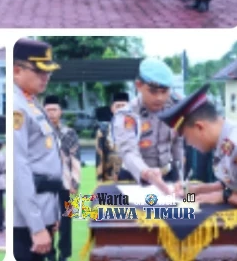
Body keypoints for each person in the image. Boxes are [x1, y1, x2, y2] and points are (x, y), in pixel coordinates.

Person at [13, 38, 63, 261]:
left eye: (48, 72)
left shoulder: (31, 103)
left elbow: (46, 161)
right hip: (26, 222)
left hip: (43, 211)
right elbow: (19, 168)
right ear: (17, 70)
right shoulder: (17, 107)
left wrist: (53, 214)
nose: (46, 77)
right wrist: (36, 225)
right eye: (40, 71)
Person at [113, 59, 183, 195]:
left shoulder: (175, 108)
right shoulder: (127, 115)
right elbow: (128, 151)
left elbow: (178, 145)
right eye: (153, 91)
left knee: (187, 205)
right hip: (134, 178)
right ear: (138, 85)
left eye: (164, 91)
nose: (159, 98)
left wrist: (181, 176)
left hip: (169, 175)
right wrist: (146, 172)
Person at [158, 84, 237, 205]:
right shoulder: (223, 140)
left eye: (186, 138)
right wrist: (198, 189)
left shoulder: (235, 142)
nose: (189, 144)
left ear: (199, 127)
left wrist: (225, 196)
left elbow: (229, 192)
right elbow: (231, 183)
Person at [44, 95, 80, 261]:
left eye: (54, 109)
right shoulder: (40, 132)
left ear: (61, 112)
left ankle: (64, 254)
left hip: (66, 183)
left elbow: (75, 158)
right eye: (48, 110)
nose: (51, 113)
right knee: (47, 219)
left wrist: (75, 183)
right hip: (45, 183)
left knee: (66, 220)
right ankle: (49, 253)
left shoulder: (69, 133)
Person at [95, 92, 129, 182]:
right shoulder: (103, 131)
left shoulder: (138, 129)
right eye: (118, 106)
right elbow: (100, 158)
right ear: (112, 109)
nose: (121, 109)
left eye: (124, 106)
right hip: (110, 177)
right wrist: (99, 181)